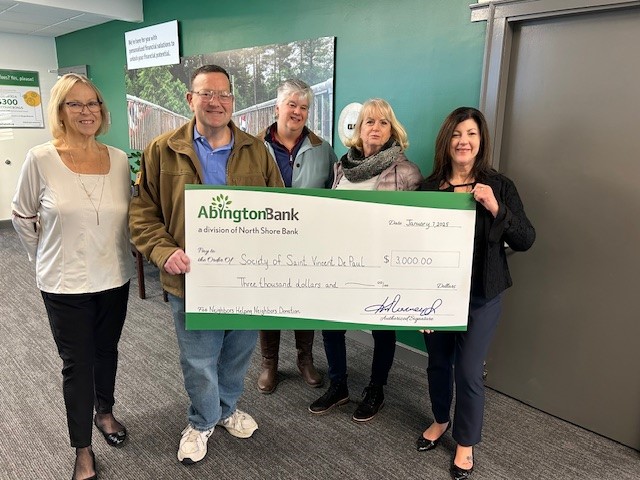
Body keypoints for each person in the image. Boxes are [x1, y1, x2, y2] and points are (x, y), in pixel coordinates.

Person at [129, 64, 284, 465]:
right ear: (190, 99)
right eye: (206, 94)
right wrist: (165, 253)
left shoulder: (255, 150)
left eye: (224, 95)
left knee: (237, 353)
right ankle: (200, 421)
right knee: (199, 358)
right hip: (191, 280)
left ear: (232, 101)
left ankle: (226, 410)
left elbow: (281, 210)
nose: (216, 102)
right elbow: (143, 214)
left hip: (246, 282)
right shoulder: (161, 150)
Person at [11, 73, 134, 480]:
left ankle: (106, 412)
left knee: (107, 351)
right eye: (75, 104)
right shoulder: (40, 158)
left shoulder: (118, 160)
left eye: (93, 102)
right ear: (60, 111)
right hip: (64, 284)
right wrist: (43, 258)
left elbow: (128, 218)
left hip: (114, 275)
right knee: (77, 364)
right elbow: (22, 216)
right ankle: (82, 447)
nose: (87, 111)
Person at [417, 107, 535, 480]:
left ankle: (465, 442)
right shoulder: (428, 187)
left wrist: (496, 207)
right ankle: (440, 419)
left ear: (480, 140)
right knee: (437, 363)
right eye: (456, 134)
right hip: (436, 295)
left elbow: (526, 239)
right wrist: (417, 307)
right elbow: (414, 250)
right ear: (446, 141)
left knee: (467, 371)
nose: (463, 141)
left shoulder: (499, 185)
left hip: (482, 294)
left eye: (470, 134)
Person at [308, 98, 422, 422]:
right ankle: (339, 384)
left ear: (391, 130)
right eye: (369, 122)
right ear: (358, 130)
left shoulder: (407, 172)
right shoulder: (341, 168)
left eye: (383, 122)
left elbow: (415, 227)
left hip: (381, 266)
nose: (375, 128)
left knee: (382, 329)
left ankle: (376, 388)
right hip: (340, 262)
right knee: (331, 325)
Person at [255, 79, 338, 394]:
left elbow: (335, 192)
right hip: (266, 242)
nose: (298, 112)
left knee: (304, 300)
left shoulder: (323, 149)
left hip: (308, 244)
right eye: (292, 105)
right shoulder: (252, 147)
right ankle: (269, 363)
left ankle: (305, 359)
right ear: (277, 108)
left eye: (304, 107)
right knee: (269, 302)